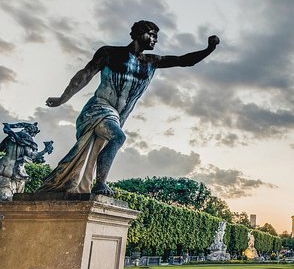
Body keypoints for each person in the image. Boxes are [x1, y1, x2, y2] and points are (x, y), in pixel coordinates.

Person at [41, 20, 220, 195]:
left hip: (117, 116)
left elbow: (184, 60)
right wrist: (62, 99)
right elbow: (85, 74)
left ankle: (72, 182)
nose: (155, 40)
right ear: (138, 34)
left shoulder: (152, 61)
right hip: (98, 108)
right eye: (152, 35)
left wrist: (208, 50)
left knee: (91, 151)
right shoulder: (109, 53)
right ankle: (100, 184)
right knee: (118, 138)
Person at [0, 122, 53, 200]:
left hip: (2, 165)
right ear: (32, 132)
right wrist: (45, 150)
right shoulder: (28, 138)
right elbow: (31, 155)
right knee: (11, 201)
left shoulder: (10, 136)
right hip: (14, 170)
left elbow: (1, 148)